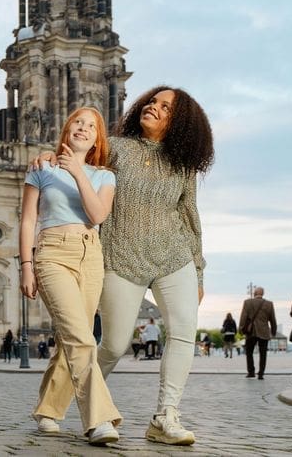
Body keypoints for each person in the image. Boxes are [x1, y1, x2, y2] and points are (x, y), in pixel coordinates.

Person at [66, 86, 213, 446]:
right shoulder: (115, 148)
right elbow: (76, 162)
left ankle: (166, 416)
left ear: (179, 121)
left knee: (182, 333)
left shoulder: (183, 165)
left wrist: (198, 270)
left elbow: (189, 216)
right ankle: (93, 410)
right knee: (114, 345)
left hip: (173, 255)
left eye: (165, 107)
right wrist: (47, 161)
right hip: (121, 256)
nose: (153, 107)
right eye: (152, 101)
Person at [19, 107, 121, 445]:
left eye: (92, 126)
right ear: (67, 129)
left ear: (96, 139)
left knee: (69, 340)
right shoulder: (41, 167)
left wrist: (78, 172)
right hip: (52, 252)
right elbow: (28, 221)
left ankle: (48, 409)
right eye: (78, 121)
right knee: (82, 337)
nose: (84, 127)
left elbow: (98, 215)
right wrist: (26, 265)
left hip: (90, 254)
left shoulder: (105, 176)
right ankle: (100, 419)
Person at [238, 286, 277, 380]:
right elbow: (272, 319)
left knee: (249, 352)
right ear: (262, 294)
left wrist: (241, 329)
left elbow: (243, 316)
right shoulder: (269, 304)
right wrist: (273, 331)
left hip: (251, 331)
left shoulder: (247, 302)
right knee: (263, 353)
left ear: (254, 293)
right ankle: (261, 373)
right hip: (264, 331)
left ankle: (251, 372)